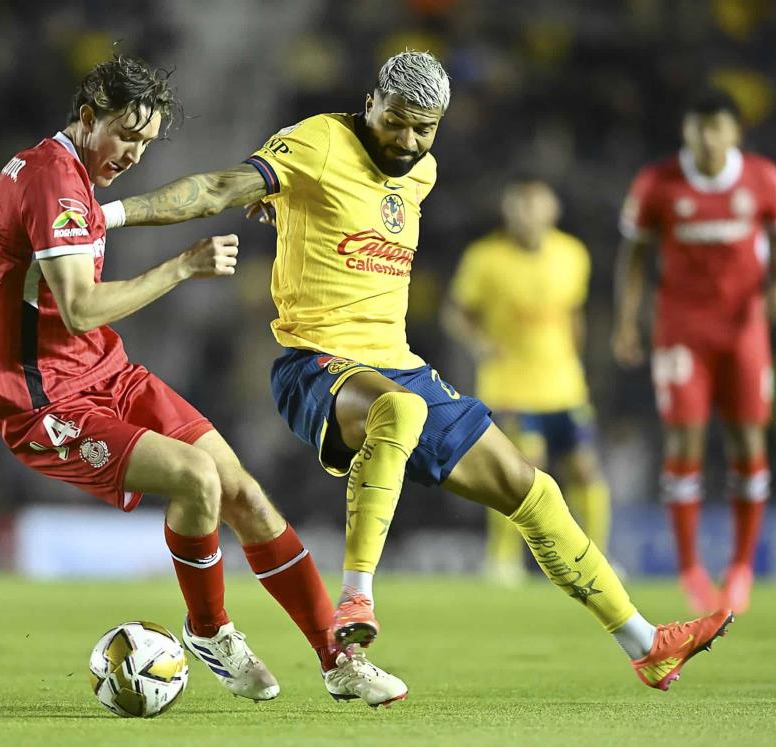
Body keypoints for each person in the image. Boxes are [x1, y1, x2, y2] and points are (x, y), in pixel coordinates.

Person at [99, 51, 732, 691]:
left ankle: (646, 643)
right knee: (398, 410)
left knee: (530, 488)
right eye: (396, 121)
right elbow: (214, 189)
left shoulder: (421, 171)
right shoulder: (317, 142)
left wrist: (289, 209)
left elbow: (334, 211)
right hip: (317, 364)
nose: (406, 140)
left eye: (422, 129)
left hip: (402, 366)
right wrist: (110, 216)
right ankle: (356, 599)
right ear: (372, 101)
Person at [0, 54, 406, 707]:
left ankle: (339, 659)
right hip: (48, 400)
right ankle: (211, 631)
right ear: (87, 118)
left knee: (245, 493)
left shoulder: (48, 169)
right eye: (127, 136)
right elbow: (80, 306)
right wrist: (182, 268)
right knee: (197, 477)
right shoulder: (57, 183)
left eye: (146, 142)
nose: (134, 155)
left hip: (105, 370)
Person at [613, 87, 776, 615]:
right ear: (686, 132)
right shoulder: (658, 183)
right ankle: (691, 567)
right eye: (698, 128)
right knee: (685, 441)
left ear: (735, 132)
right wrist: (627, 320)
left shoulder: (764, 177)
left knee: (746, 441)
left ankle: (741, 567)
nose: (707, 137)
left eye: (717, 127)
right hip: (681, 328)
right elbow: (635, 256)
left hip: (744, 328)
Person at [442, 176, 611, 586]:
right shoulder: (485, 258)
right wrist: (480, 345)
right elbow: (457, 313)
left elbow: (574, 314)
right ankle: (503, 561)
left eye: (537, 206)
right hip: (511, 385)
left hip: (565, 384)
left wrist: (579, 362)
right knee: (525, 471)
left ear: (552, 211)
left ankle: (598, 559)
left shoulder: (573, 254)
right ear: (508, 212)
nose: (529, 215)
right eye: (521, 207)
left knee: (586, 471)